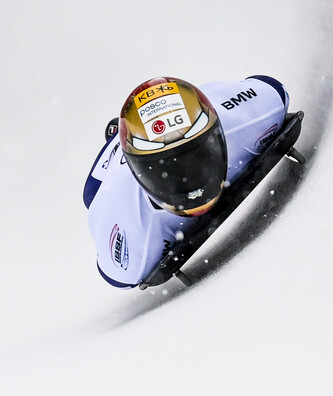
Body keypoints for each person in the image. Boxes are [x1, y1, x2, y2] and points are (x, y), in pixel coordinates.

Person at [83, 75, 290, 288]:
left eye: (197, 158)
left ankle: (128, 136)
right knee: (90, 193)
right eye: (168, 172)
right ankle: (117, 138)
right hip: (120, 174)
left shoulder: (246, 120)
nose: (189, 184)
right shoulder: (118, 215)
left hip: (210, 108)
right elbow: (274, 88)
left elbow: (272, 90)